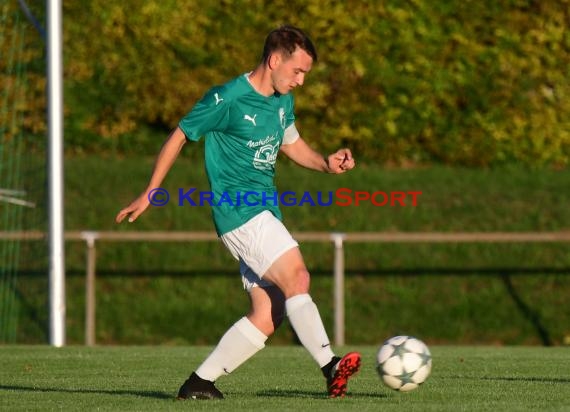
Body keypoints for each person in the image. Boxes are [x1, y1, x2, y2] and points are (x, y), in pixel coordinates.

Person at [115, 25, 359, 400]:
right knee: (298, 276)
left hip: (264, 211)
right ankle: (331, 367)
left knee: (270, 310)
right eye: (298, 71)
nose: (301, 81)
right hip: (239, 212)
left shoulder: (281, 101)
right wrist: (152, 190)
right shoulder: (227, 98)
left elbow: (292, 145)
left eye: (305, 74)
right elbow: (181, 133)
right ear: (275, 60)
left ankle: (199, 383)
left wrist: (326, 164)